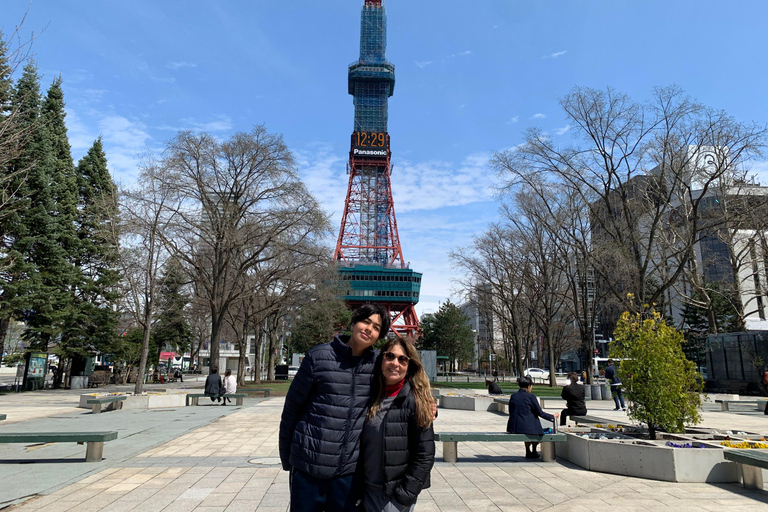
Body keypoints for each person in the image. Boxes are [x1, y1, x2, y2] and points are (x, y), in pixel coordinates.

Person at [279, 303, 391, 512]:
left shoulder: (377, 365)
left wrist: (426, 402)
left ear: (379, 336)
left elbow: (404, 378)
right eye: (366, 322)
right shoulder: (318, 357)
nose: (369, 329)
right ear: (354, 322)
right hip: (308, 467)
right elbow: (291, 409)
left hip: (347, 473)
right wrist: (288, 459)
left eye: (376, 327)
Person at [360, 337, 435, 512]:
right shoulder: (367, 395)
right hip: (363, 493)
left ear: (410, 366)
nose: (395, 363)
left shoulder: (417, 401)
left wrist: (403, 497)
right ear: (381, 360)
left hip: (393, 498)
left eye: (403, 359)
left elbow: (425, 455)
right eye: (390, 356)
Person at [506, 375, 558, 459]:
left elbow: (511, 411)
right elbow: (540, 413)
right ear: (529, 386)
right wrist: (552, 416)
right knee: (534, 424)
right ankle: (533, 450)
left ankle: (528, 450)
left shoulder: (513, 396)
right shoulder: (531, 397)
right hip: (527, 427)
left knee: (529, 421)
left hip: (515, 427)